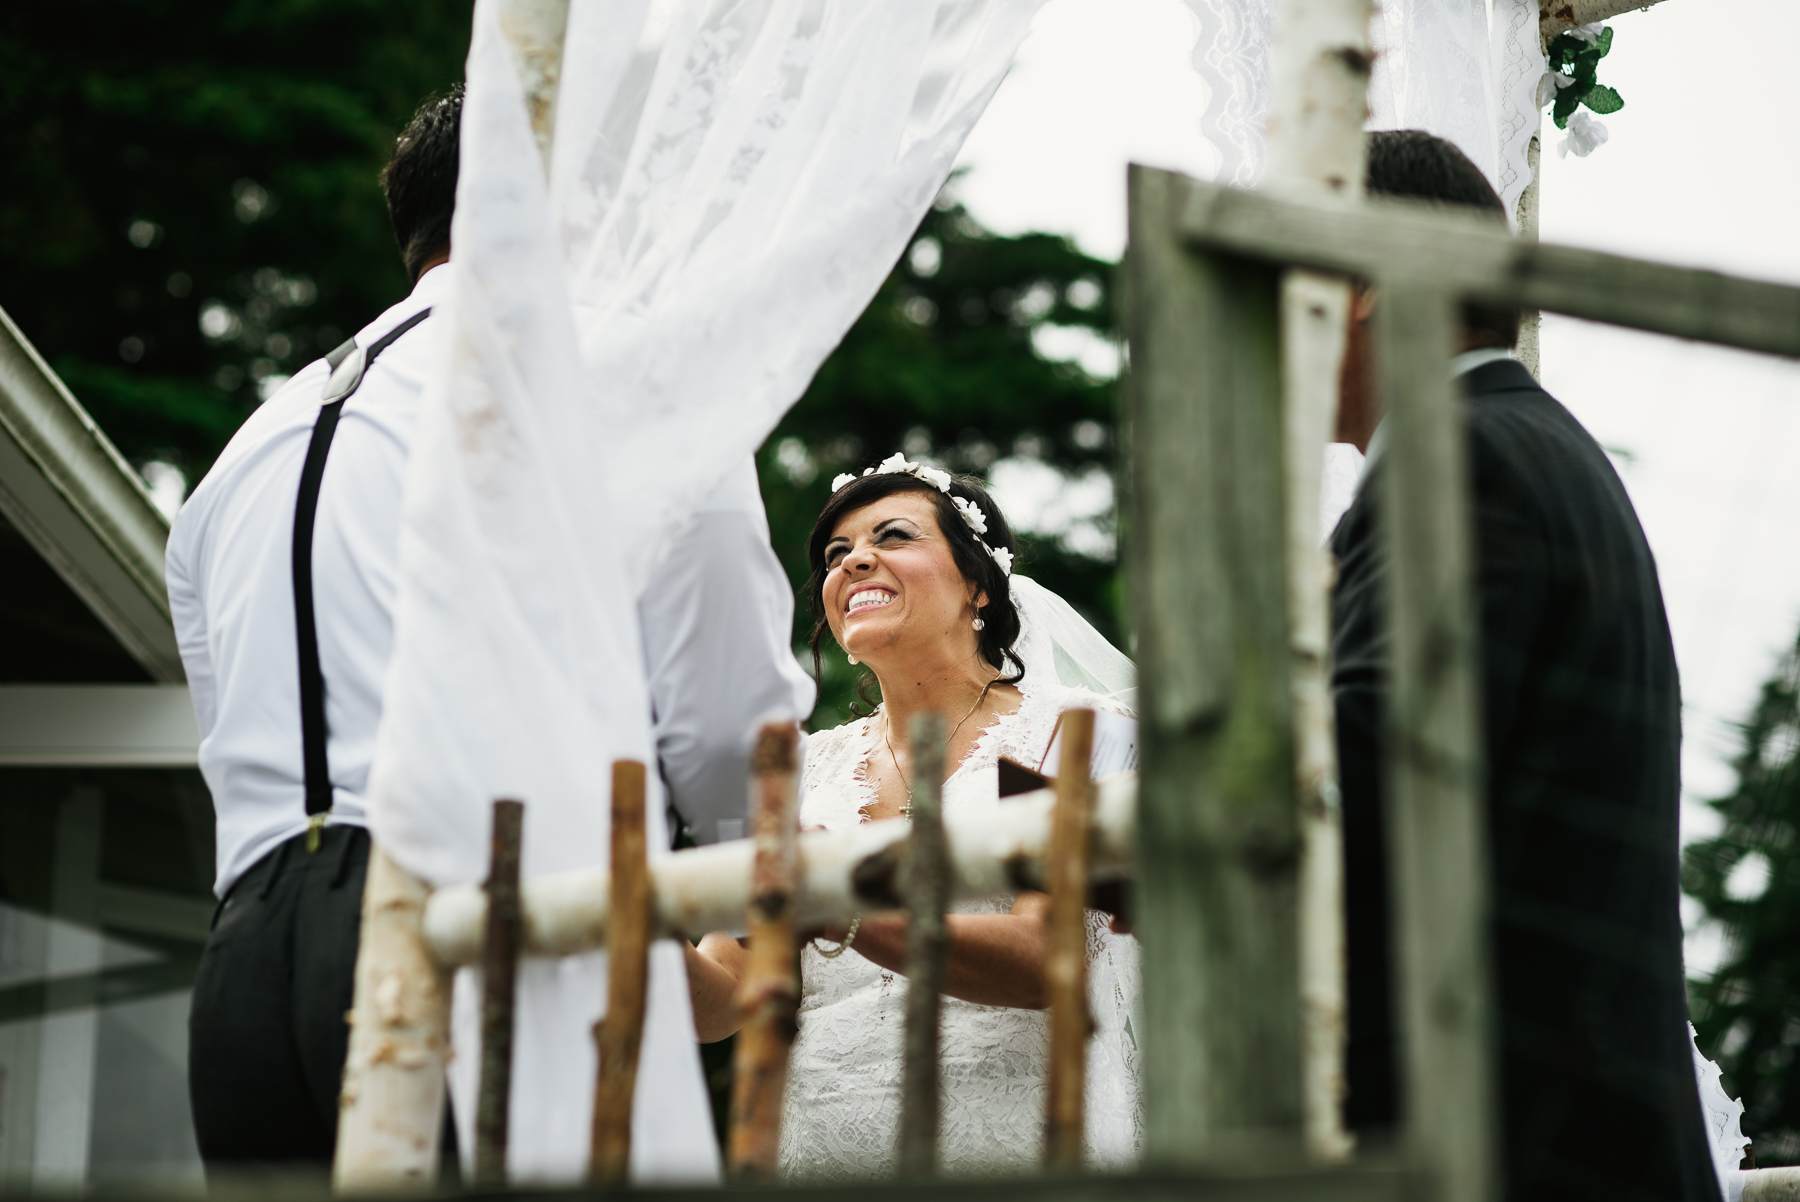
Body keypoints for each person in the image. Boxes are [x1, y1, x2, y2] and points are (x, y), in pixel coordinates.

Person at [166, 86, 813, 1174]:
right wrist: (769, 879)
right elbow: (729, 731)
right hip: (469, 920)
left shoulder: (244, 451)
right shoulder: (619, 366)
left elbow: (224, 725)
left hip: (245, 967)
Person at [1330, 130, 1718, 1201]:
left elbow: (1379, 766)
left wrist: (1164, 836)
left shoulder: (1461, 455)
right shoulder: (1534, 441)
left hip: (1516, 1138)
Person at [686, 454, 1141, 1180]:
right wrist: (637, 923)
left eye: (893, 536)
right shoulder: (801, 772)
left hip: (1017, 1147)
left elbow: (1041, 959)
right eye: (836, 556)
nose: (855, 561)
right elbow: (724, 1000)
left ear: (978, 589)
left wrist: (846, 905)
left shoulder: (1064, 735)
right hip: (828, 1149)